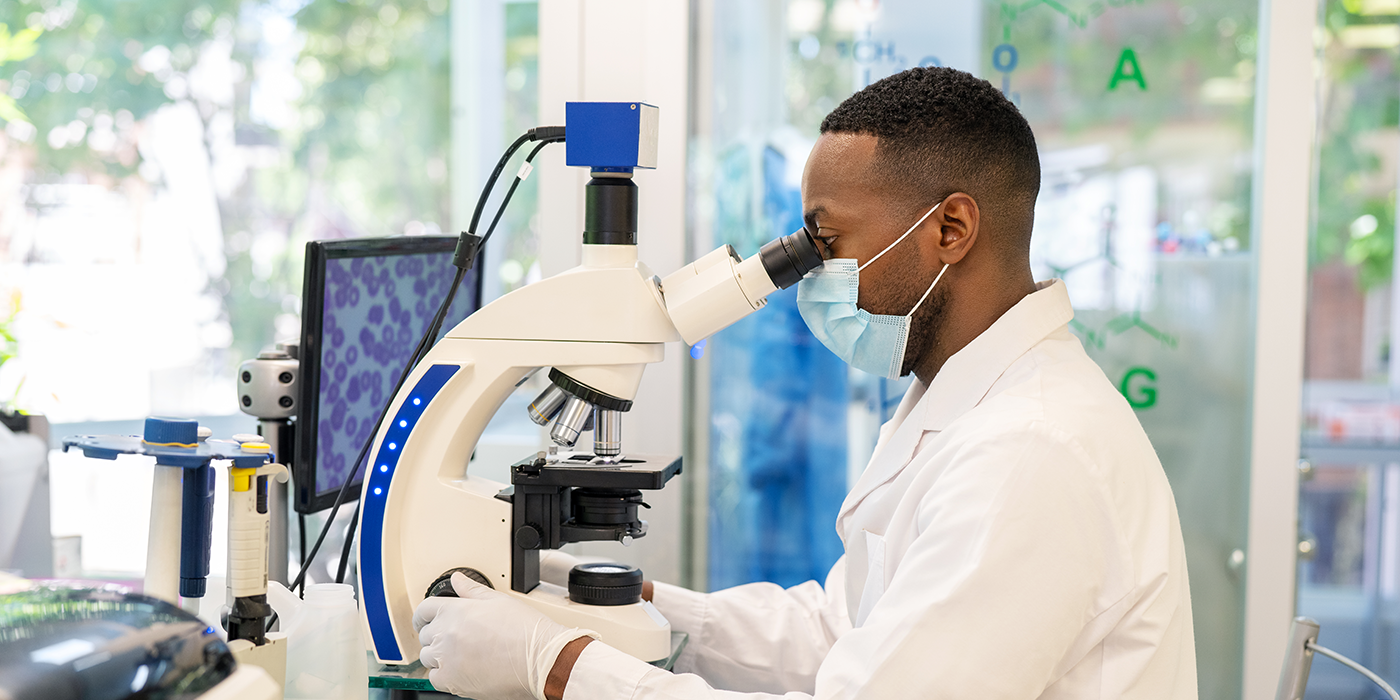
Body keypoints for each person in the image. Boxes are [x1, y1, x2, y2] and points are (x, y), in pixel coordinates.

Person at [412, 66, 1197, 700]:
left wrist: (558, 665)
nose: (812, 271)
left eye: (829, 239)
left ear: (950, 230)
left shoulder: (1030, 453)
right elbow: (845, 633)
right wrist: (634, 600)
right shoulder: (964, 396)